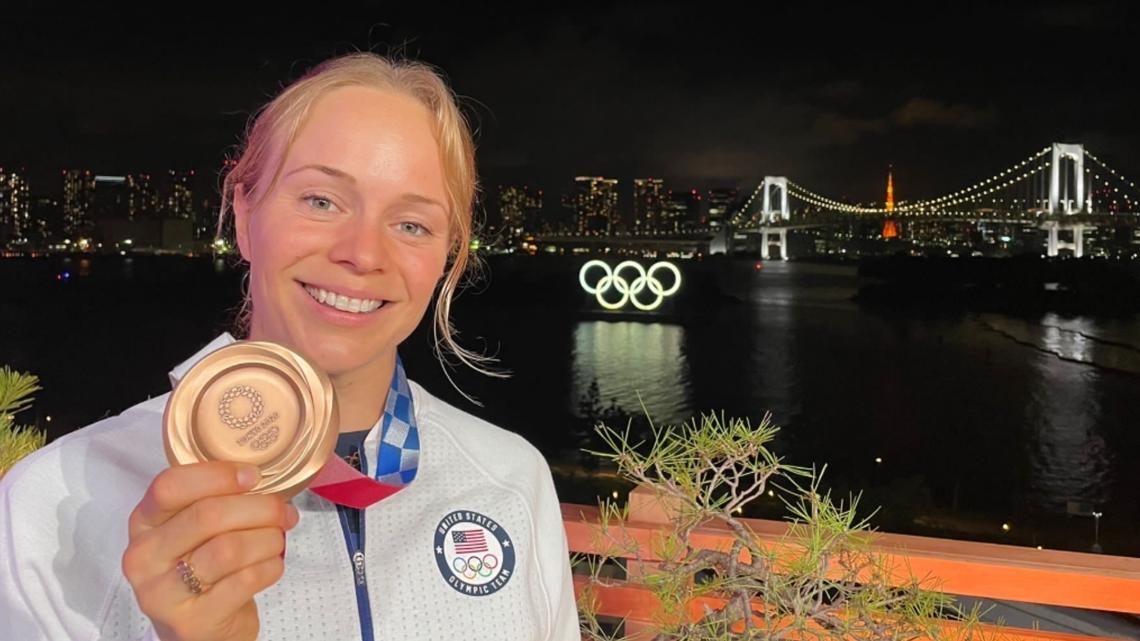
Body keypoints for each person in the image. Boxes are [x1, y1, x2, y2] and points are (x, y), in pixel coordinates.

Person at [1, 53, 579, 641]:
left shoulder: (510, 481)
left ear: (446, 257)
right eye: (321, 201)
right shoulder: (54, 503)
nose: (363, 253)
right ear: (245, 213)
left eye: (411, 224)